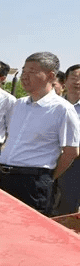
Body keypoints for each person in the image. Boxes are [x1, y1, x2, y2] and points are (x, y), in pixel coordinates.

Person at [0, 52, 80, 215]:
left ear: (50, 76)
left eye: (32, 71)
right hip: (4, 177)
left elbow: (71, 152)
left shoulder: (62, 109)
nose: (25, 76)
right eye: (24, 71)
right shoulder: (19, 105)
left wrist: (47, 179)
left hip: (33, 184)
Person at [54, 64, 80, 215]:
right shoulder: (55, 105)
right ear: (65, 81)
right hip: (50, 158)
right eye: (74, 78)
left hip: (75, 162)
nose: (77, 82)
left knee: (67, 205)